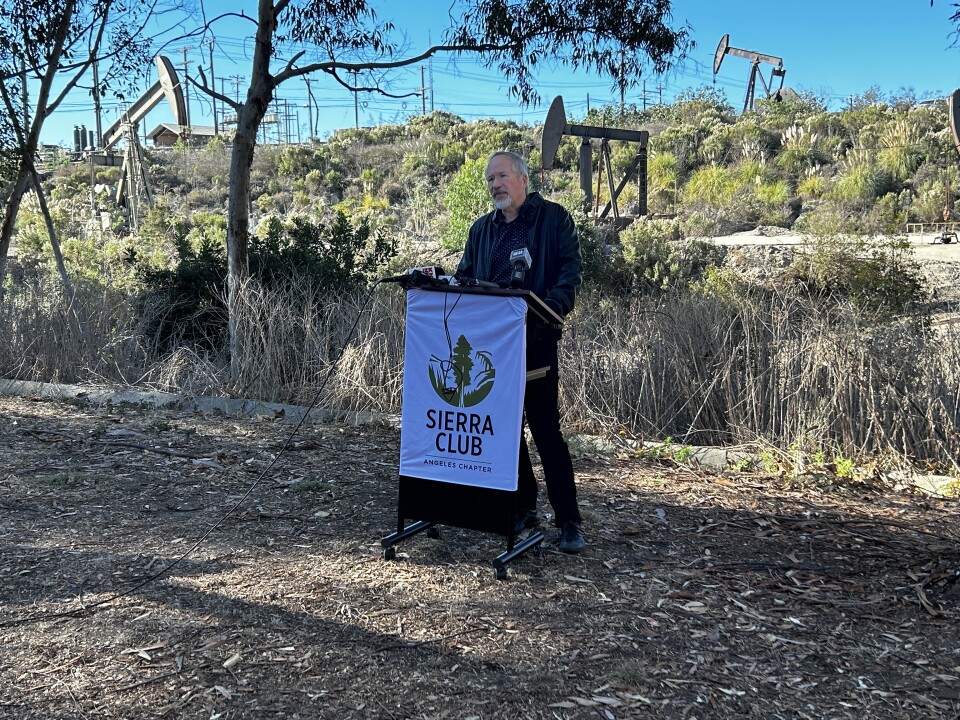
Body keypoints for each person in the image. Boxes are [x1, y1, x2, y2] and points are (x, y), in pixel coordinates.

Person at [457, 151, 585, 553]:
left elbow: (569, 269)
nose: (495, 184)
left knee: (546, 433)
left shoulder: (554, 219)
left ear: (523, 179)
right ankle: (524, 509)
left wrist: (555, 306)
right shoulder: (480, 230)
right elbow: (465, 276)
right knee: (506, 435)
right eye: (489, 179)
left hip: (536, 344)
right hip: (492, 351)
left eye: (501, 176)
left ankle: (569, 522)